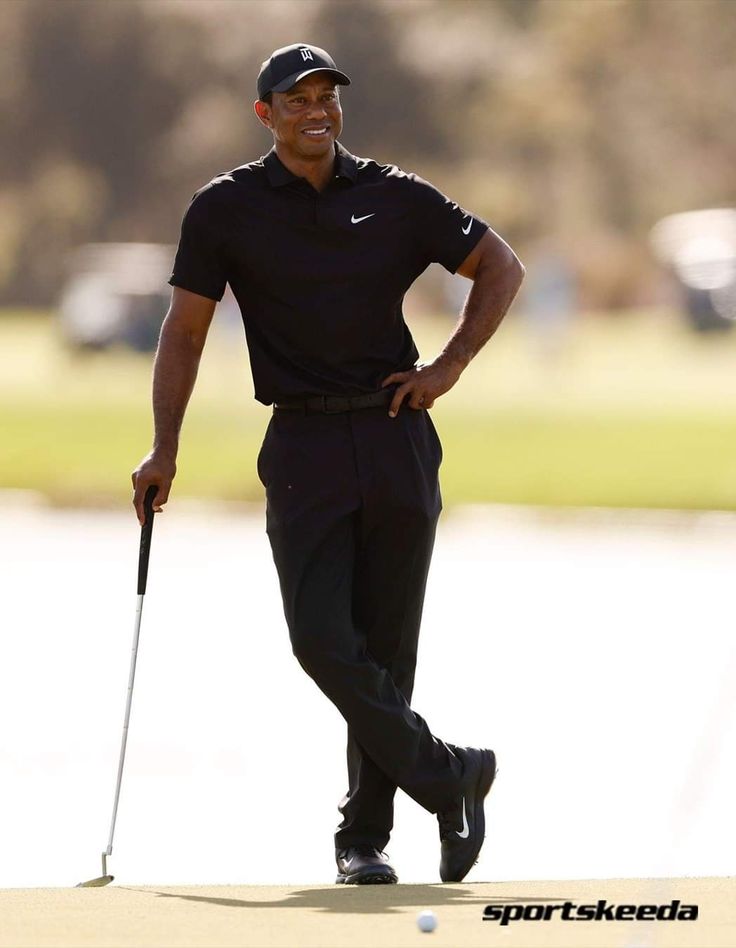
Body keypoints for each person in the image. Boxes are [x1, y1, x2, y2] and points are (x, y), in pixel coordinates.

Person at [132, 43, 524, 885]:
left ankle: (364, 841)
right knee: (320, 639)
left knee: (386, 650)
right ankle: (453, 775)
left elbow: (500, 265)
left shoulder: (395, 195)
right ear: (264, 113)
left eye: (328, 97)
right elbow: (186, 332)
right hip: (303, 444)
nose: (318, 109)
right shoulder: (224, 208)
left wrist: (447, 366)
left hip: (394, 433)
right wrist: (165, 445)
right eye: (297, 97)